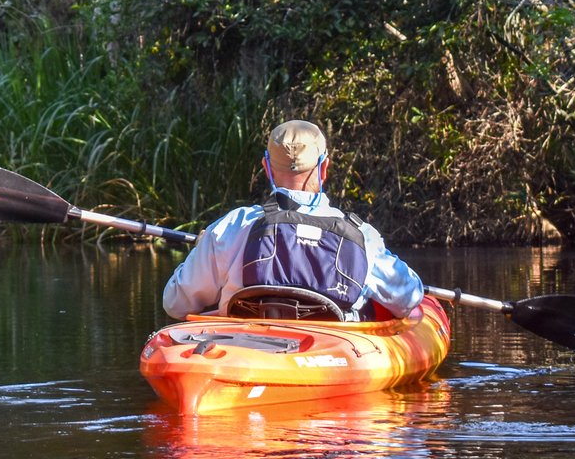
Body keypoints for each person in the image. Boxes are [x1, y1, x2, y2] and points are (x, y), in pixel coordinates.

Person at [161, 120, 426, 321]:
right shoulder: (362, 237)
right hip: (332, 352)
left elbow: (175, 304)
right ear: (324, 167)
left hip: (245, 350)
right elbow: (409, 298)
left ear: (266, 167)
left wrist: (203, 245)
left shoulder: (232, 226)